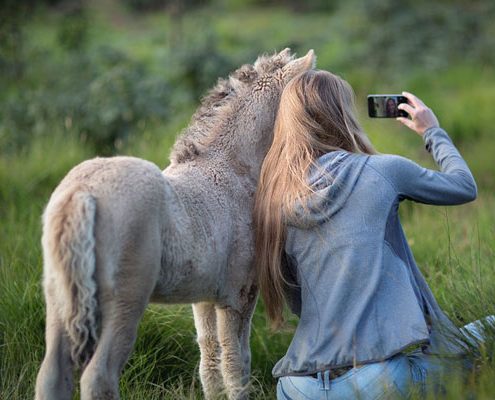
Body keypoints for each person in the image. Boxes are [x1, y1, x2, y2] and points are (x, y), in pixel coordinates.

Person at [253, 69, 493, 399]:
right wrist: (432, 131)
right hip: (378, 380)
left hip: (297, 388)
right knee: (484, 341)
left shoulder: (275, 198)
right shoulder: (382, 170)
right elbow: (464, 187)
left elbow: (296, 299)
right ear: (342, 114)